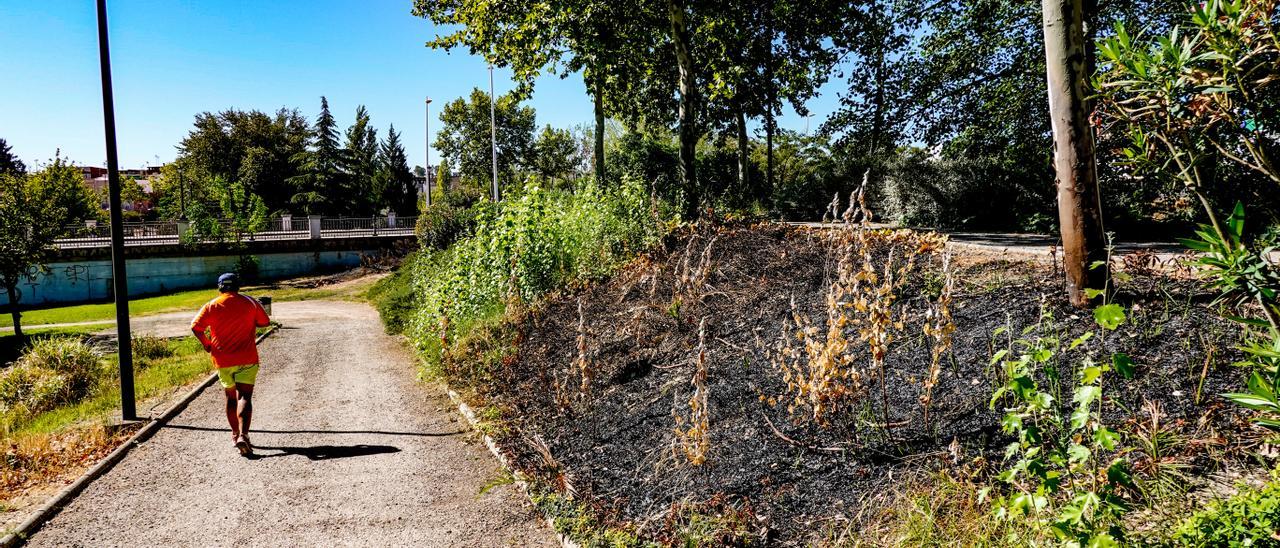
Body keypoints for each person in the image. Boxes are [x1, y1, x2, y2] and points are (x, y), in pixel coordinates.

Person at [190, 273, 270, 456]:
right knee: (245, 397)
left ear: (219, 287)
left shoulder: (211, 305)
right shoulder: (249, 302)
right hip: (247, 358)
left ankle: (234, 435)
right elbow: (265, 322)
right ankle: (244, 435)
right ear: (238, 286)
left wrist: (207, 344)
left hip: (223, 360)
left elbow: (196, 327)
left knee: (231, 398)